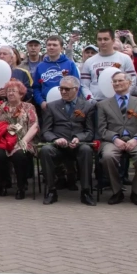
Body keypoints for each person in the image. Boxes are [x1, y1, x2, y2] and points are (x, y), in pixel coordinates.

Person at [40, 76, 96, 206]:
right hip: (59, 146)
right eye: (61, 89)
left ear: (76, 89)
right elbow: (46, 131)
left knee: (87, 150)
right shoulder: (52, 106)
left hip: (77, 145)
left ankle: (86, 191)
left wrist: (79, 138)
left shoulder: (87, 106)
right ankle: (51, 191)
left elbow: (90, 131)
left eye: (67, 89)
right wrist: (55, 139)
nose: (63, 92)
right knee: (45, 150)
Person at [98, 71, 137, 206]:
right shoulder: (103, 105)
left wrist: (136, 140)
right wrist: (115, 138)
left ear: (129, 82)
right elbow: (101, 129)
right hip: (112, 140)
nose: (117, 83)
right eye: (114, 81)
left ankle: (136, 192)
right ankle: (117, 192)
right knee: (108, 156)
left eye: (120, 80)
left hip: (135, 139)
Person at [0, 79, 39, 199]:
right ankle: (3, 183)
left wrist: (24, 141)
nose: (10, 93)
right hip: (4, 141)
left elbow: (34, 126)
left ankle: (21, 186)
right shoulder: (1, 107)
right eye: (8, 91)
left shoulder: (28, 107)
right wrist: (5, 126)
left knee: (19, 154)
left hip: (24, 140)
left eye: (13, 91)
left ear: (21, 93)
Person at [81, 29, 137, 101]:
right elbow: (84, 85)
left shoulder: (125, 58)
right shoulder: (89, 62)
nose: (102, 42)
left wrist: (123, 97)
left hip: (119, 101)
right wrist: (91, 99)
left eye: (106, 39)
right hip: (97, 101)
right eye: (99, 39)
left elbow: (132, 81)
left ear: (113, 40)